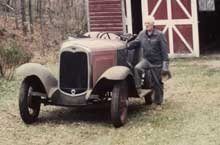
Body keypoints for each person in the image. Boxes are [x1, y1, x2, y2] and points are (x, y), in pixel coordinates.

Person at [127, 16, 170, 110]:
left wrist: (165, 66)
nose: (147, 25)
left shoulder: (159, 35)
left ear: (153, 24)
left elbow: (164, 51)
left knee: (157, 83)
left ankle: (158, 103)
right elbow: (136, 42)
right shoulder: (142, 34)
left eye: (148, 23)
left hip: (157, 62)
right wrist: (127, 45)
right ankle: (138, 88)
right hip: (147, 60)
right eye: (145, 23)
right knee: (137, 68)